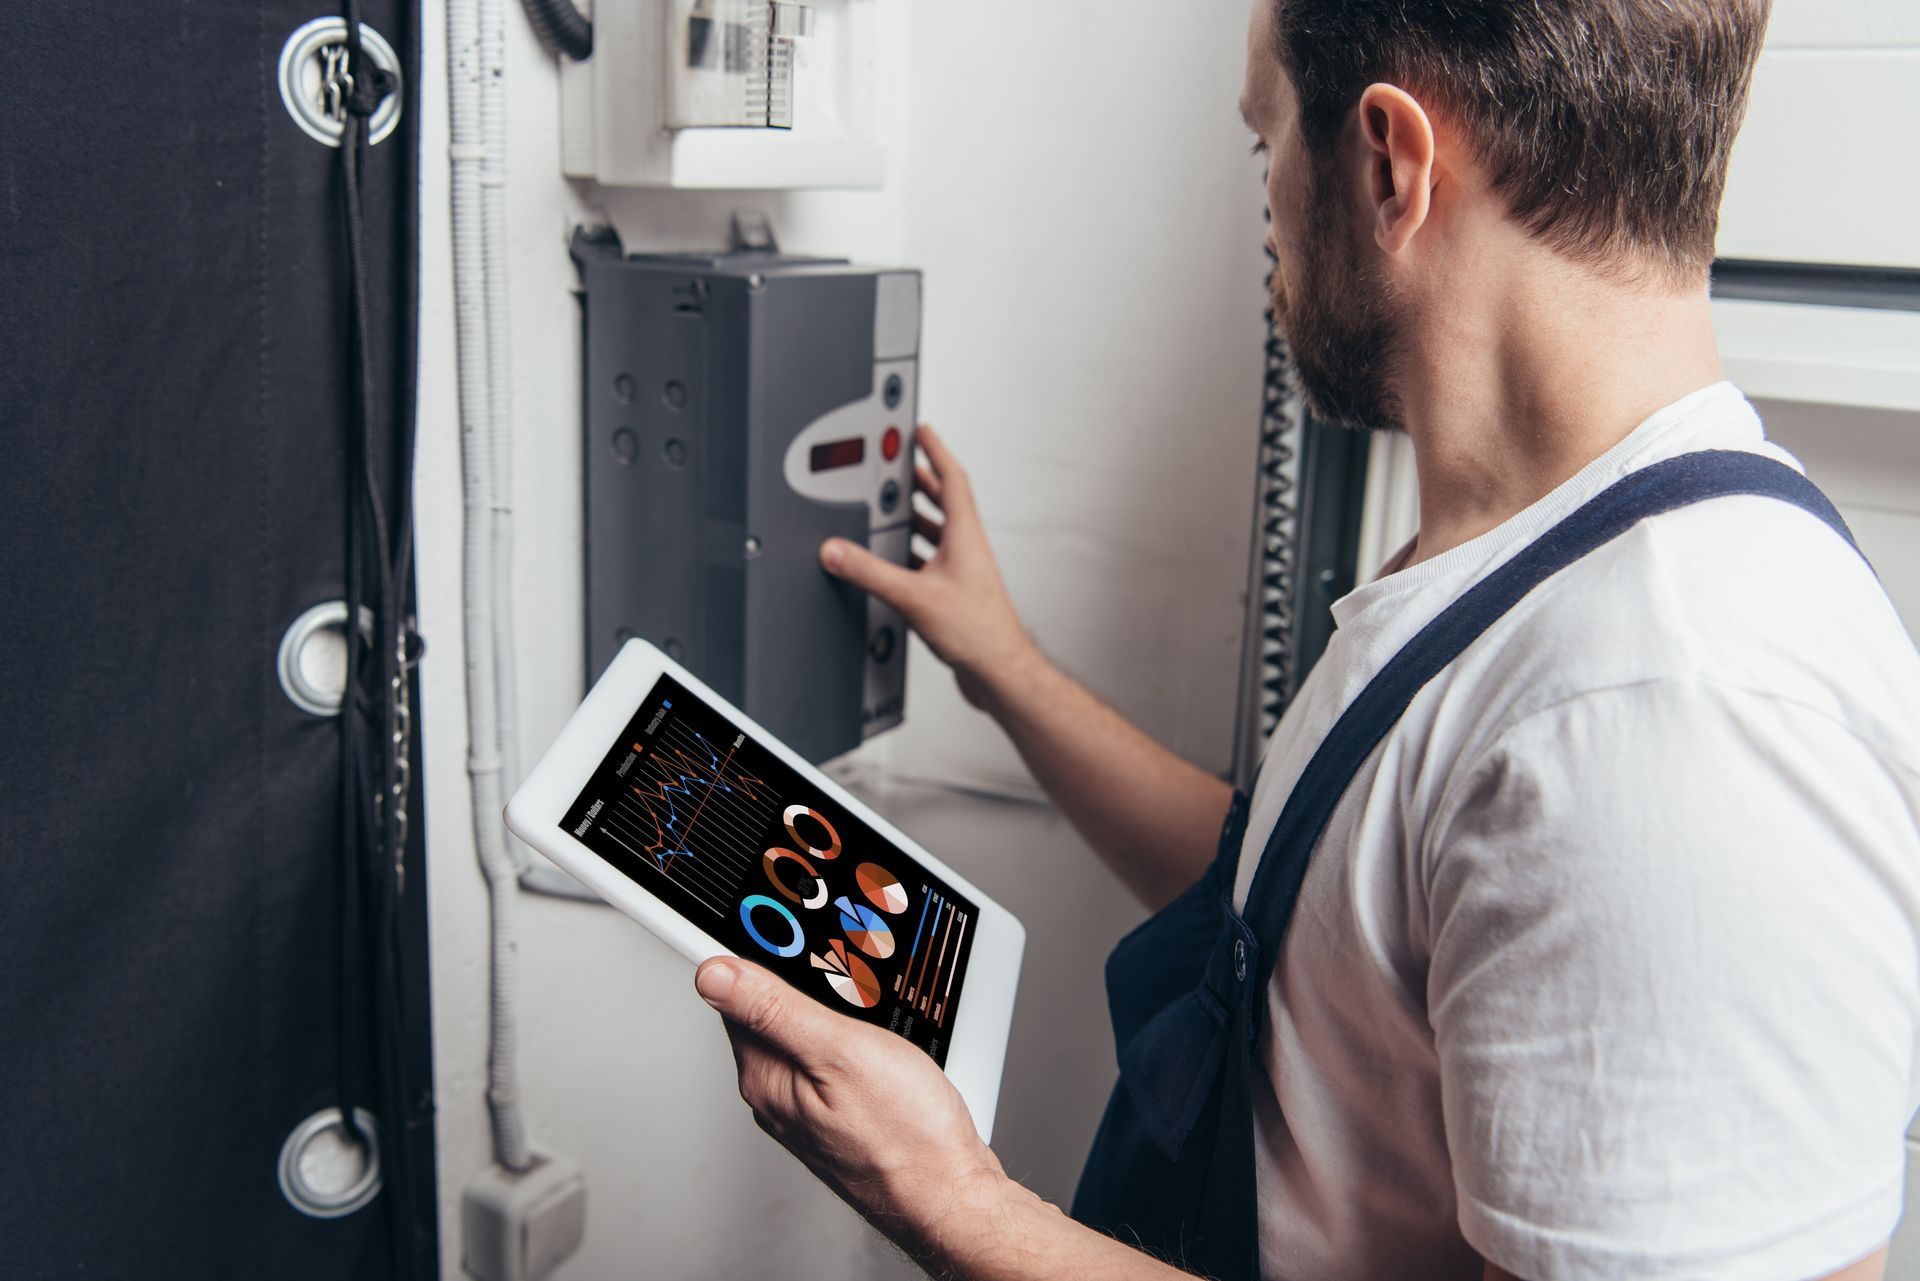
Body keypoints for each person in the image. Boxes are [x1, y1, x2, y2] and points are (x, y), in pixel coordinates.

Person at [690, 0, 1920, 1277]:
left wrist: (949, 1198)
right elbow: (1301, 923)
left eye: (1261, 142)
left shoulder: (1672, 718)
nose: (1267, 208)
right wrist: (1002, 666)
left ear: (1391, 165)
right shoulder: (1514, 555)